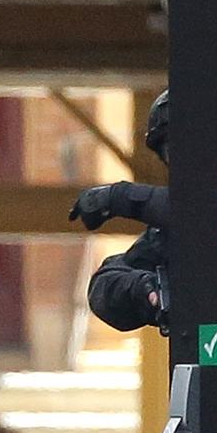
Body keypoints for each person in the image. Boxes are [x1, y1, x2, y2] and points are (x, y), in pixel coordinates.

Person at [69, 89, 170, 334]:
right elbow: (104, 287)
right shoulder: (168, 236)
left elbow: (212, 211)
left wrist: (121, 198)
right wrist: (144, 289)